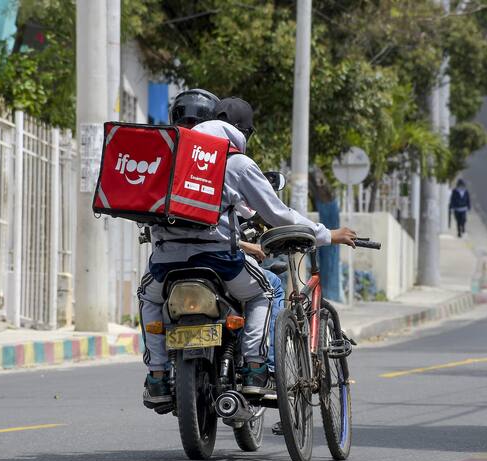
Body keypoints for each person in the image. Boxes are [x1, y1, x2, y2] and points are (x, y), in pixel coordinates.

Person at [139, 94, 357, 409]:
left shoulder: (168, 156)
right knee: (268, 289)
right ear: (242, 131)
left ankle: (157, 374)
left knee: (148, 298)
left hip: (165, 266)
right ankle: (255, 367)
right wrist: (327, 235)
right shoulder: (236, 162)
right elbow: (277, 214)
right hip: (220, 264)